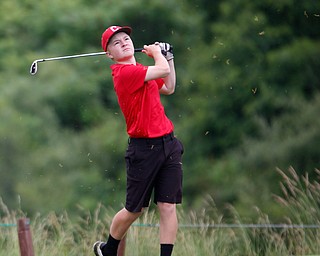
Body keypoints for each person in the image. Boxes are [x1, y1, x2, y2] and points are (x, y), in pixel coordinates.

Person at [93, 26, 184, 256]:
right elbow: (160, 68)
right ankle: (109, 250)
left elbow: (170, 86)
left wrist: (169, 56)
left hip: (168, 144)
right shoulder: (124, 74)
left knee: (168, 206)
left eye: (125, 38)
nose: (123, 42)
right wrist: (157, 53)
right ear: (109, 55)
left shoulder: (141, 70)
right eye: (115, 43)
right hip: (144, 149)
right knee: (135, 210)